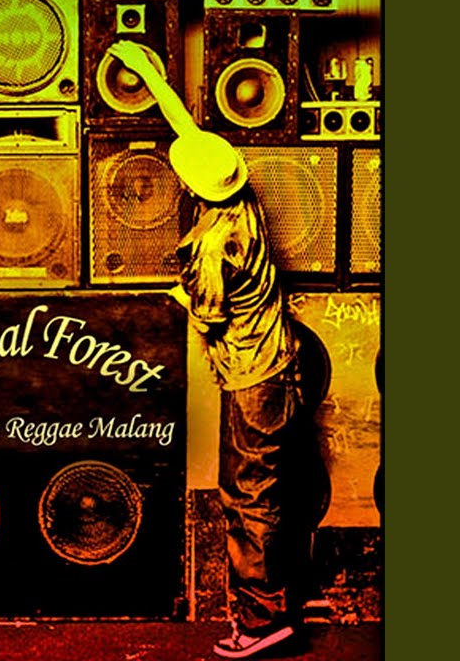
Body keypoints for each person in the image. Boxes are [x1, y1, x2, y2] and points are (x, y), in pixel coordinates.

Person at [107, 40, 306, 659]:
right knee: (260, 491)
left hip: (251, 380)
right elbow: (189, 132)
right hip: (279, 365)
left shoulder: (213, 249)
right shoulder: (242, 200)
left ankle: (264, 623)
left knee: (249, 498)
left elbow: (208, 318)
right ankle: (268, 611)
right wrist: (149, 75)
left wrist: (175, 291)